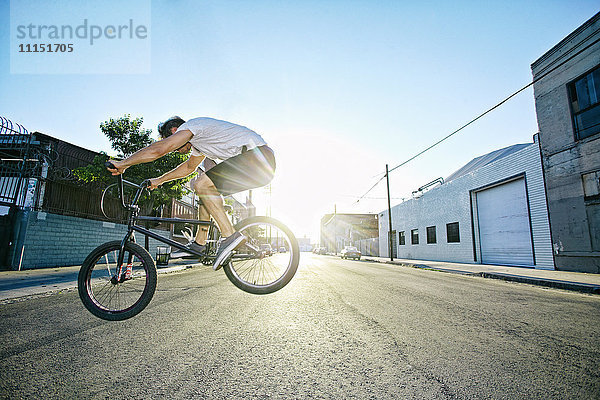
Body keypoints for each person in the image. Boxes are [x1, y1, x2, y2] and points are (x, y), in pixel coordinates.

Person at [107, 116, 276, 270]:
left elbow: (159, 150)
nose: (174, 149)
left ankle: (230, 236)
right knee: (206, 196)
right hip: (259, 165)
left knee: (201, 184)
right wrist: (159, 180)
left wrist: (124, 163)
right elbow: (188, 167)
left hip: (257, 157)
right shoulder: (200, 144)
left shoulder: (192, 126)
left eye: (172, 140)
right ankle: (199, 244)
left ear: (175, 131)